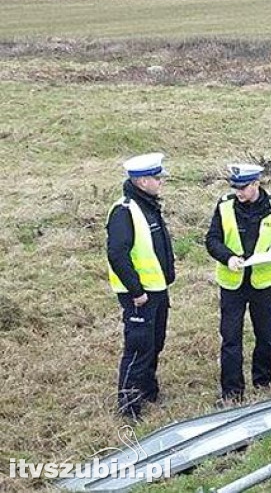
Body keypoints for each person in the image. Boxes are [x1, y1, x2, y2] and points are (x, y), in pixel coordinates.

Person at [205, 163, 271, 402]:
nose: (239, 192)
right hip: (232, 282)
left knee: (266, 334)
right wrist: (228, 257)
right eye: (235, 187)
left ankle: (263, 381)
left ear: (256, 184)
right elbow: (212, 239)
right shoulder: (225, 205)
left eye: (243, 187)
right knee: (231, 337)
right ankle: (232, 391)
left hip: (264, 283)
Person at [106, 152, 175, 419]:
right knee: (138, 347)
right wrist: (136, 291)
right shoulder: (125, 211)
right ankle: (129, 406)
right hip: (140, 295)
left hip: (156, 290)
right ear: (142, 181)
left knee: (154, 343)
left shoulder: (147, 206)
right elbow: (117, 254)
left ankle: (147, 391)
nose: (161, 182)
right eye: (157, 178)